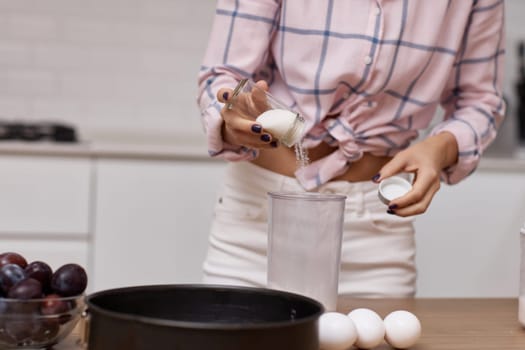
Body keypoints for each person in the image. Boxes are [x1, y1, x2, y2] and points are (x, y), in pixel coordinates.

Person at [196, 0, 505, 297]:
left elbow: (481, 102)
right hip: (255, 221)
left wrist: (440, 148)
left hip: (374, 233)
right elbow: (221, 77)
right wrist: (231, 114)